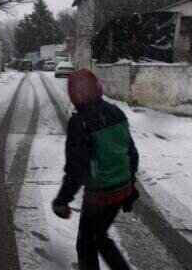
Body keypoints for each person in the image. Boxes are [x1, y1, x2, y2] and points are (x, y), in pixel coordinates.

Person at [52, 69, 139, 270]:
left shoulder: (80, 121)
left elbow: (76, 169)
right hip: (121, 189)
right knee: (99, 237)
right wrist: (130, 186)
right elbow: (131, 153)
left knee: (86, 244)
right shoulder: (116, 112)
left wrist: (62, 200)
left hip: (100, 196)